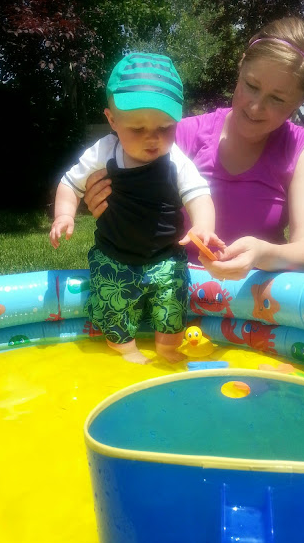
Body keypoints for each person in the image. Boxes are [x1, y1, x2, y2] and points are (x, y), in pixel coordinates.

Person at [83, 17, 304, 281]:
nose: (256, 106)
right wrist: (106, 199)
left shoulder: (303, 150)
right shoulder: (180, 135)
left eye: (277, 99)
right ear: (241, 66)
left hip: (255, 293)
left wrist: (262, 254)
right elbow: (125, 188)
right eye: (251, 86)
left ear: (299, 102)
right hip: (174, 288)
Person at [49, 52, 219, 364]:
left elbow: (198, 195)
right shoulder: (104, 152)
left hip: (165, 257)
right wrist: (64, 214)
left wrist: (204, 225)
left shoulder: (176, 159)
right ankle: (125, 350)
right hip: (114, 254)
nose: (152, 138)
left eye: (165, 128)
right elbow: (70, 184)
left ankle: (168, 348)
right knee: (112, 305)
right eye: (138, 129)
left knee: (172, 304)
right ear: (112, 120)